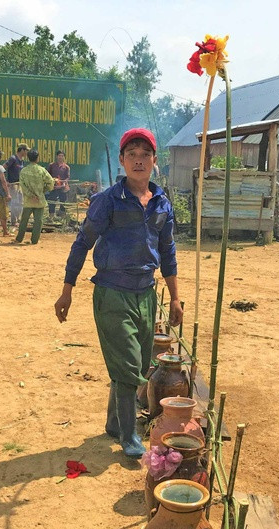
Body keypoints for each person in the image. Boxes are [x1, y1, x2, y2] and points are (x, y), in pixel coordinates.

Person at [54, 128, 182, 459]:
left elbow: (167, 251)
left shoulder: (161, 203)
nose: (139, 160)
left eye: (145, 155)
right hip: (112, 292)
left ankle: (114, 422)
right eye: (132, 155)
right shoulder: (107, 201)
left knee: (139, 363)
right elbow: (82, 242)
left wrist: (175, 297)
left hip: (146, 293)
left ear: (154, 161)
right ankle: (129, 436)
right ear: (122, 160)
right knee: (127, 366)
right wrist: (67, 290)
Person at [15, 149, 55, 244]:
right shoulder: (42, 170)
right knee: (38, 221)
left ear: (28, 158)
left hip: (28, 201)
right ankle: (34, 240)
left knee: (24, 220)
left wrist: (31, 195)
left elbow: (23, 186)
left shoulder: (24, 171)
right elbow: (51, 182)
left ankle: (19, 238)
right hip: (39, 200)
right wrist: (42, 191)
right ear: (37, 158)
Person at [4, 143, 30, 230]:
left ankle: (18, 220)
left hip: (20, 184)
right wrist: (6, 181)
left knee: (20, 202)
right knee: (14, 202)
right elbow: (3, 168)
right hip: (13, 184)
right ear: (22, 150)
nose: (26, 152)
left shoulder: (22, 160)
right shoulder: (13, 158)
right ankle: (13, 221)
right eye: (26, 150)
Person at [46, 150, 70, 219]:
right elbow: (47, 175)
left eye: (62, 156)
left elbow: (67, 177)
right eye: (59, 155)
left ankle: (62, 215)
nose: (60, 157)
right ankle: (51, 216)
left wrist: (64, 182)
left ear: (64, 157)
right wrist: (53, 180)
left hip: (62, 187)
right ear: (57, 156)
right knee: (52, 201)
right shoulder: (51, 165)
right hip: (54, 187)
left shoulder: (66, 167)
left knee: (63, 201)